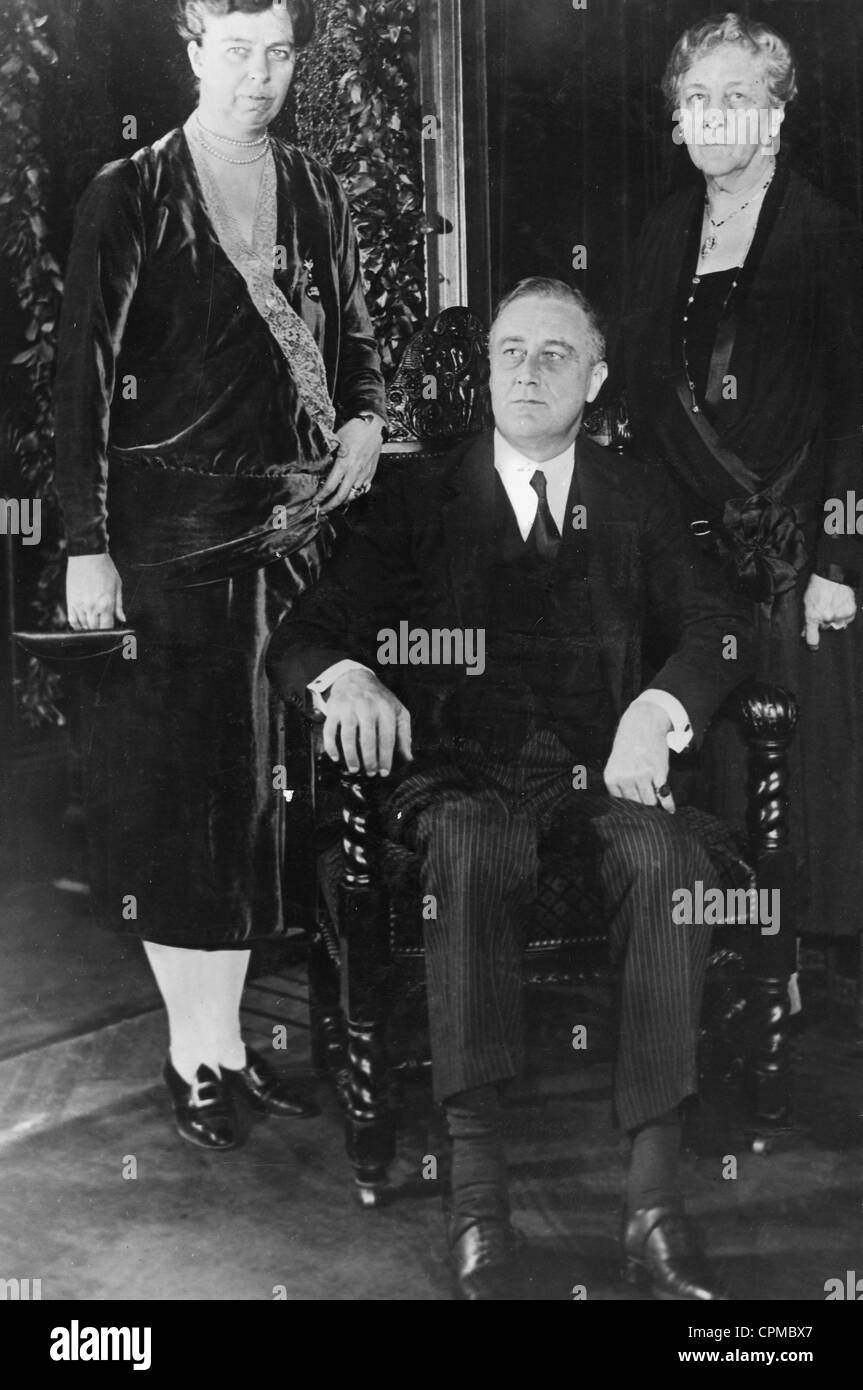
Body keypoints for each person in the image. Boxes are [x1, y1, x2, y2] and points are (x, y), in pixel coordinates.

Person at [267, 277, 754, 1300]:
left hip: (600, 775)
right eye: (508, 352)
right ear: (486, 367)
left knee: (669, 864)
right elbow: (305, 631)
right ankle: (479, 1204)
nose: (526, 371)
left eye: (553, 354)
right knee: (473, 851)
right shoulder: (412, 499)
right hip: (461, 777)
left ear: (597, 377)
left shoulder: (642, 495)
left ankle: (654, 1206)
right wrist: (345, 674)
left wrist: (657, 710)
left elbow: (716, 628)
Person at [53, 0, 387, 1152]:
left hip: (291, 539)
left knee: (255, 812)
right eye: (236, 51)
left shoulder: (317, 191)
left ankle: (230, 1047)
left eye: (278, 53)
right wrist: (84, 543)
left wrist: (363, 421)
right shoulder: (128, 192)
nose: (259, 76)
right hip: (163, 548)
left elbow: (352, 339)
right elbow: (80, 387)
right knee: (181, 808)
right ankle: (192, 1052)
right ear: (192, 53)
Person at [615, 12, 863, 941]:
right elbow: (643, 395)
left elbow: (856, 409)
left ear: (777, 115)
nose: (716, 118)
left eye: (738, 99)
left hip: (798, 548)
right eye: (697, 100)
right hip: (688, 542)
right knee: (707, 746)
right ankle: (726, 957)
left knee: (798, 759)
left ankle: (788, 963)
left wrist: (839, 560)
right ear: (677, 119)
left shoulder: (829, 234)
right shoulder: (660, 231)